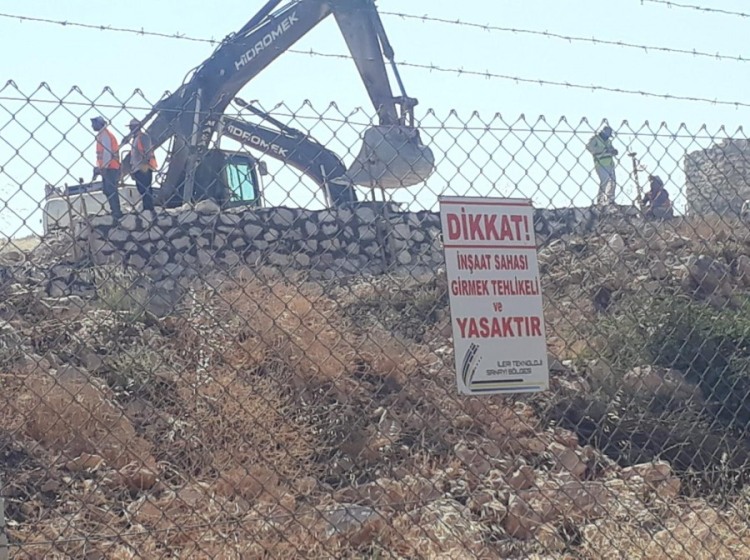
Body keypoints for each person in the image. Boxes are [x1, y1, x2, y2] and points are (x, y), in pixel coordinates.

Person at [91, 116, 122, 219]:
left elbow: (107, 153)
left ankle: (116, 211)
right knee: (107, 189)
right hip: (108, 166)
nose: (92, 126)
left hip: (110, 167)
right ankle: (114, 210)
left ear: (99, 124)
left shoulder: (105, 135)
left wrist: (104, 167)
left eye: (94, 124)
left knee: (111, 189)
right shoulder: (102, 135)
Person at [127, 118, 157, 211]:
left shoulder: (143, 137)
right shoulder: (135, 139)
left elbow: (147, 151)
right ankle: (146, 207)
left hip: (144, 167)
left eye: (132, 127)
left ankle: (149, 207)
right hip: (137, 167)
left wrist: (145, 164)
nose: (131, 129)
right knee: (141, 188)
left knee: (146, 188)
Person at [586, 125, 619, 206]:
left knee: (613, 182)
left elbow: (611, 148)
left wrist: (614, 151)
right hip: (600, 163)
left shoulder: (608, 141)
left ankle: (610, 200)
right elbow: (589, 148)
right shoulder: (595, 139)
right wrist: (603, 150)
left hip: (610, 163)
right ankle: (600, 200)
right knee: (604, 181)